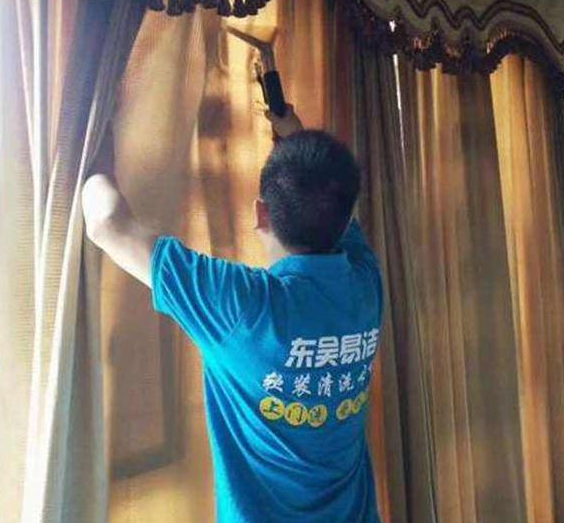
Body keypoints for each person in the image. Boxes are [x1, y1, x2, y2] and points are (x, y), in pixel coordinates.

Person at [82, 105, 384, 523]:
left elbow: (105, 222)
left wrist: (92, 140)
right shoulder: (365, 284)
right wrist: (293, 133)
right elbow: (335, 210)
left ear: (260, 213)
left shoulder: (244, 308)